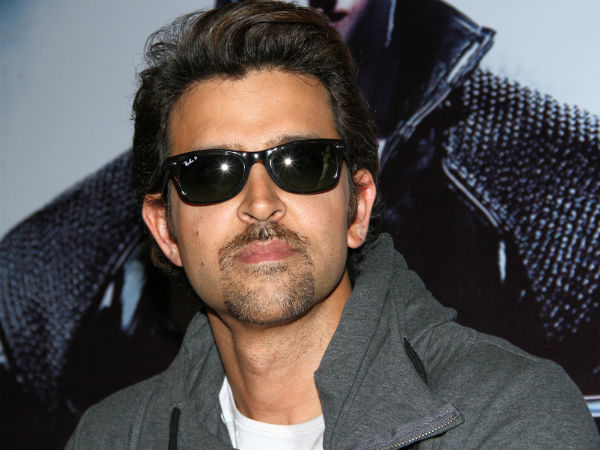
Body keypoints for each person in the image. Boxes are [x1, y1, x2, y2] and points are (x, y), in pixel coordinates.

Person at [64, 2, 599, 449]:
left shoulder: (510, 413)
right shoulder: (111, 438)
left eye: (301, 163)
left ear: (358, 208)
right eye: (211, 173)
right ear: (165, 230)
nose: (261, 203)